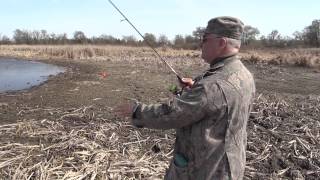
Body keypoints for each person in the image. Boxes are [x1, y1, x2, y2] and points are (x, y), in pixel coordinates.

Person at [116, 16, 255, 180]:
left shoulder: (212, 87)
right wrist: (196, 85)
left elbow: (173, 114)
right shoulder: (244, 74)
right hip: (230, 165)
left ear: (221, 43)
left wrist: (137, 111)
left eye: (205, 39)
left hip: (205, 171)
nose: (200, 44)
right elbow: (215, 102)